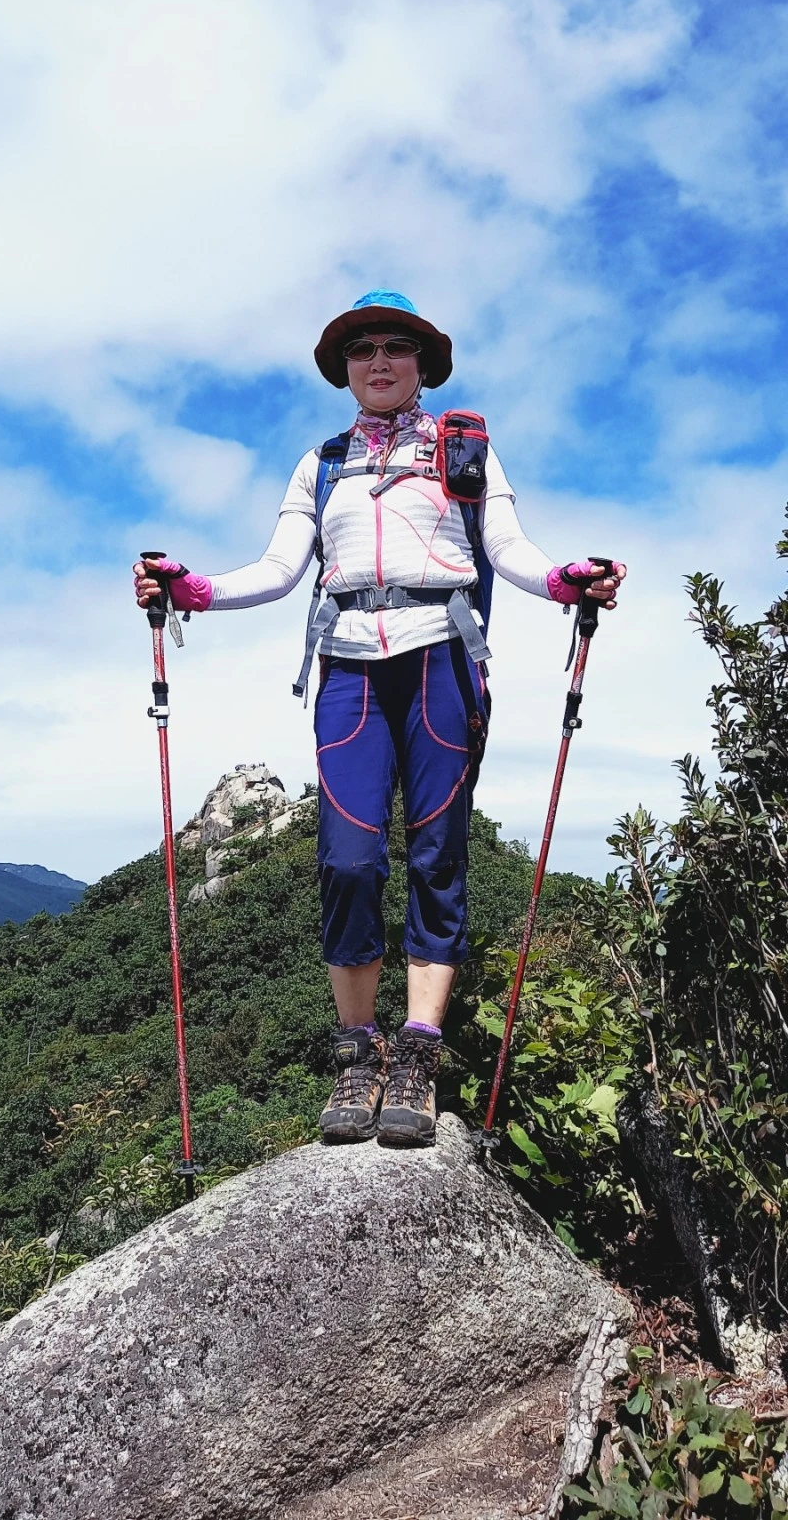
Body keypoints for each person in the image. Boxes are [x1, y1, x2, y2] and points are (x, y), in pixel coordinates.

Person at [134, 291, 625, 1149]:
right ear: (346, 370)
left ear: (423, 364)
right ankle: (357, 1053)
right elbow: (280, 569)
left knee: (438, 854)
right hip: (350, 665)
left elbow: (506, 548)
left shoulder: (464, 449)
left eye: (397, 346)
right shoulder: (323, 463)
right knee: (348, 859)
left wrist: (563, 581)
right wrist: (194, 589)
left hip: (443, 658)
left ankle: (419, 1053)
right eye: (363, 350)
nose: (380, 361)